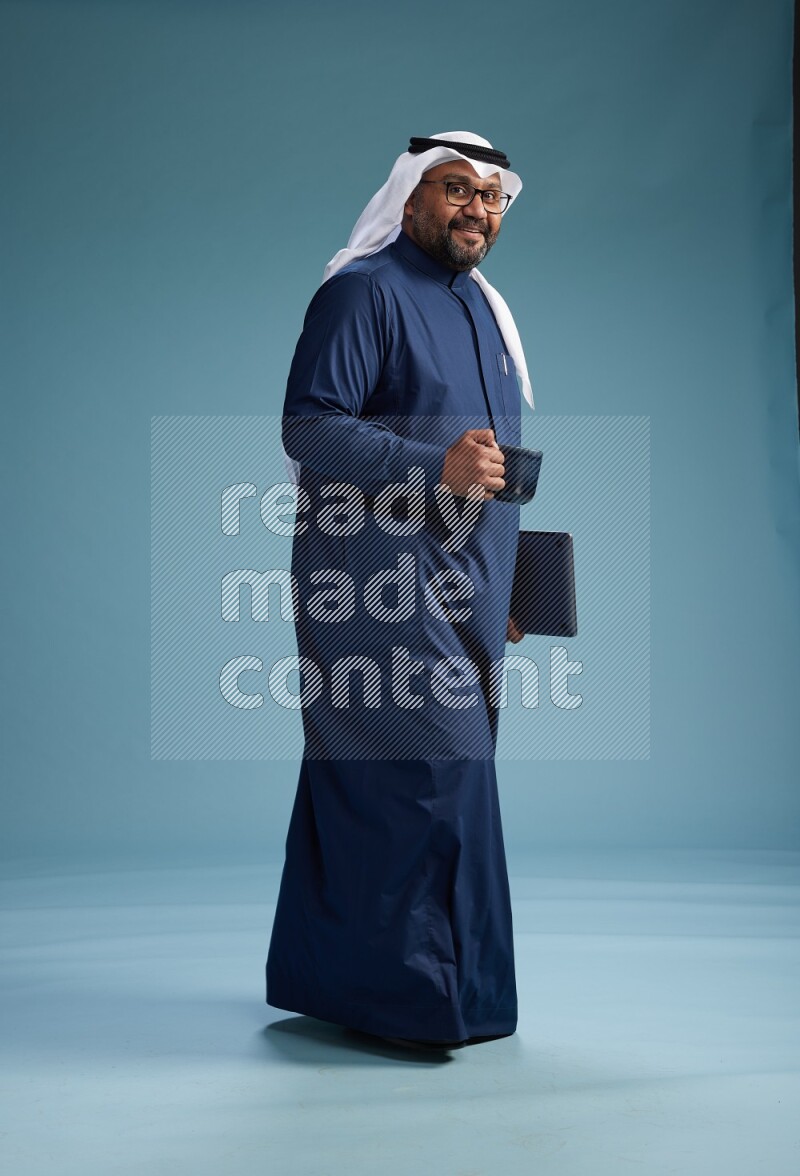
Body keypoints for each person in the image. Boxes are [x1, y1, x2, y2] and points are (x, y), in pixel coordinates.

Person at [266, 132, 532, 1050]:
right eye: (457, 191)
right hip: (373, 582)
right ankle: (425, 1008)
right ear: (410, 198)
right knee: (432, 775)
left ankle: (342, 986)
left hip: (465, 583)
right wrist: (434, 467)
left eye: (493, 198)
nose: (477, 211)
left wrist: (512, 584)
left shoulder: (487, 313)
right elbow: (309, 430)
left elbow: (487, 474)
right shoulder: (362, 292)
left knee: (382, 780)